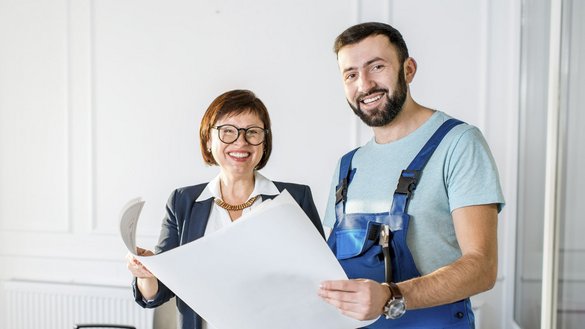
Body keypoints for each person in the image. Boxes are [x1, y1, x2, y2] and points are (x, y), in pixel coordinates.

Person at [318, 22, 505, 328]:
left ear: (408, 70)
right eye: (351, 74)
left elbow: (482, 267)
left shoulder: (458, 143)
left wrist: (390, 295)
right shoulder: (346, 166)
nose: (364, 85)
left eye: (376, 67)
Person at [126, 89, 325, 329]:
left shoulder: (295, 198)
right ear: (208, 140)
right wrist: (146, 273)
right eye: (228, 131)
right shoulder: (182, 202)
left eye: (252, 132)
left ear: (264, 142)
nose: (241, 142)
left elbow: (319, 283)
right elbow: (160, 291)